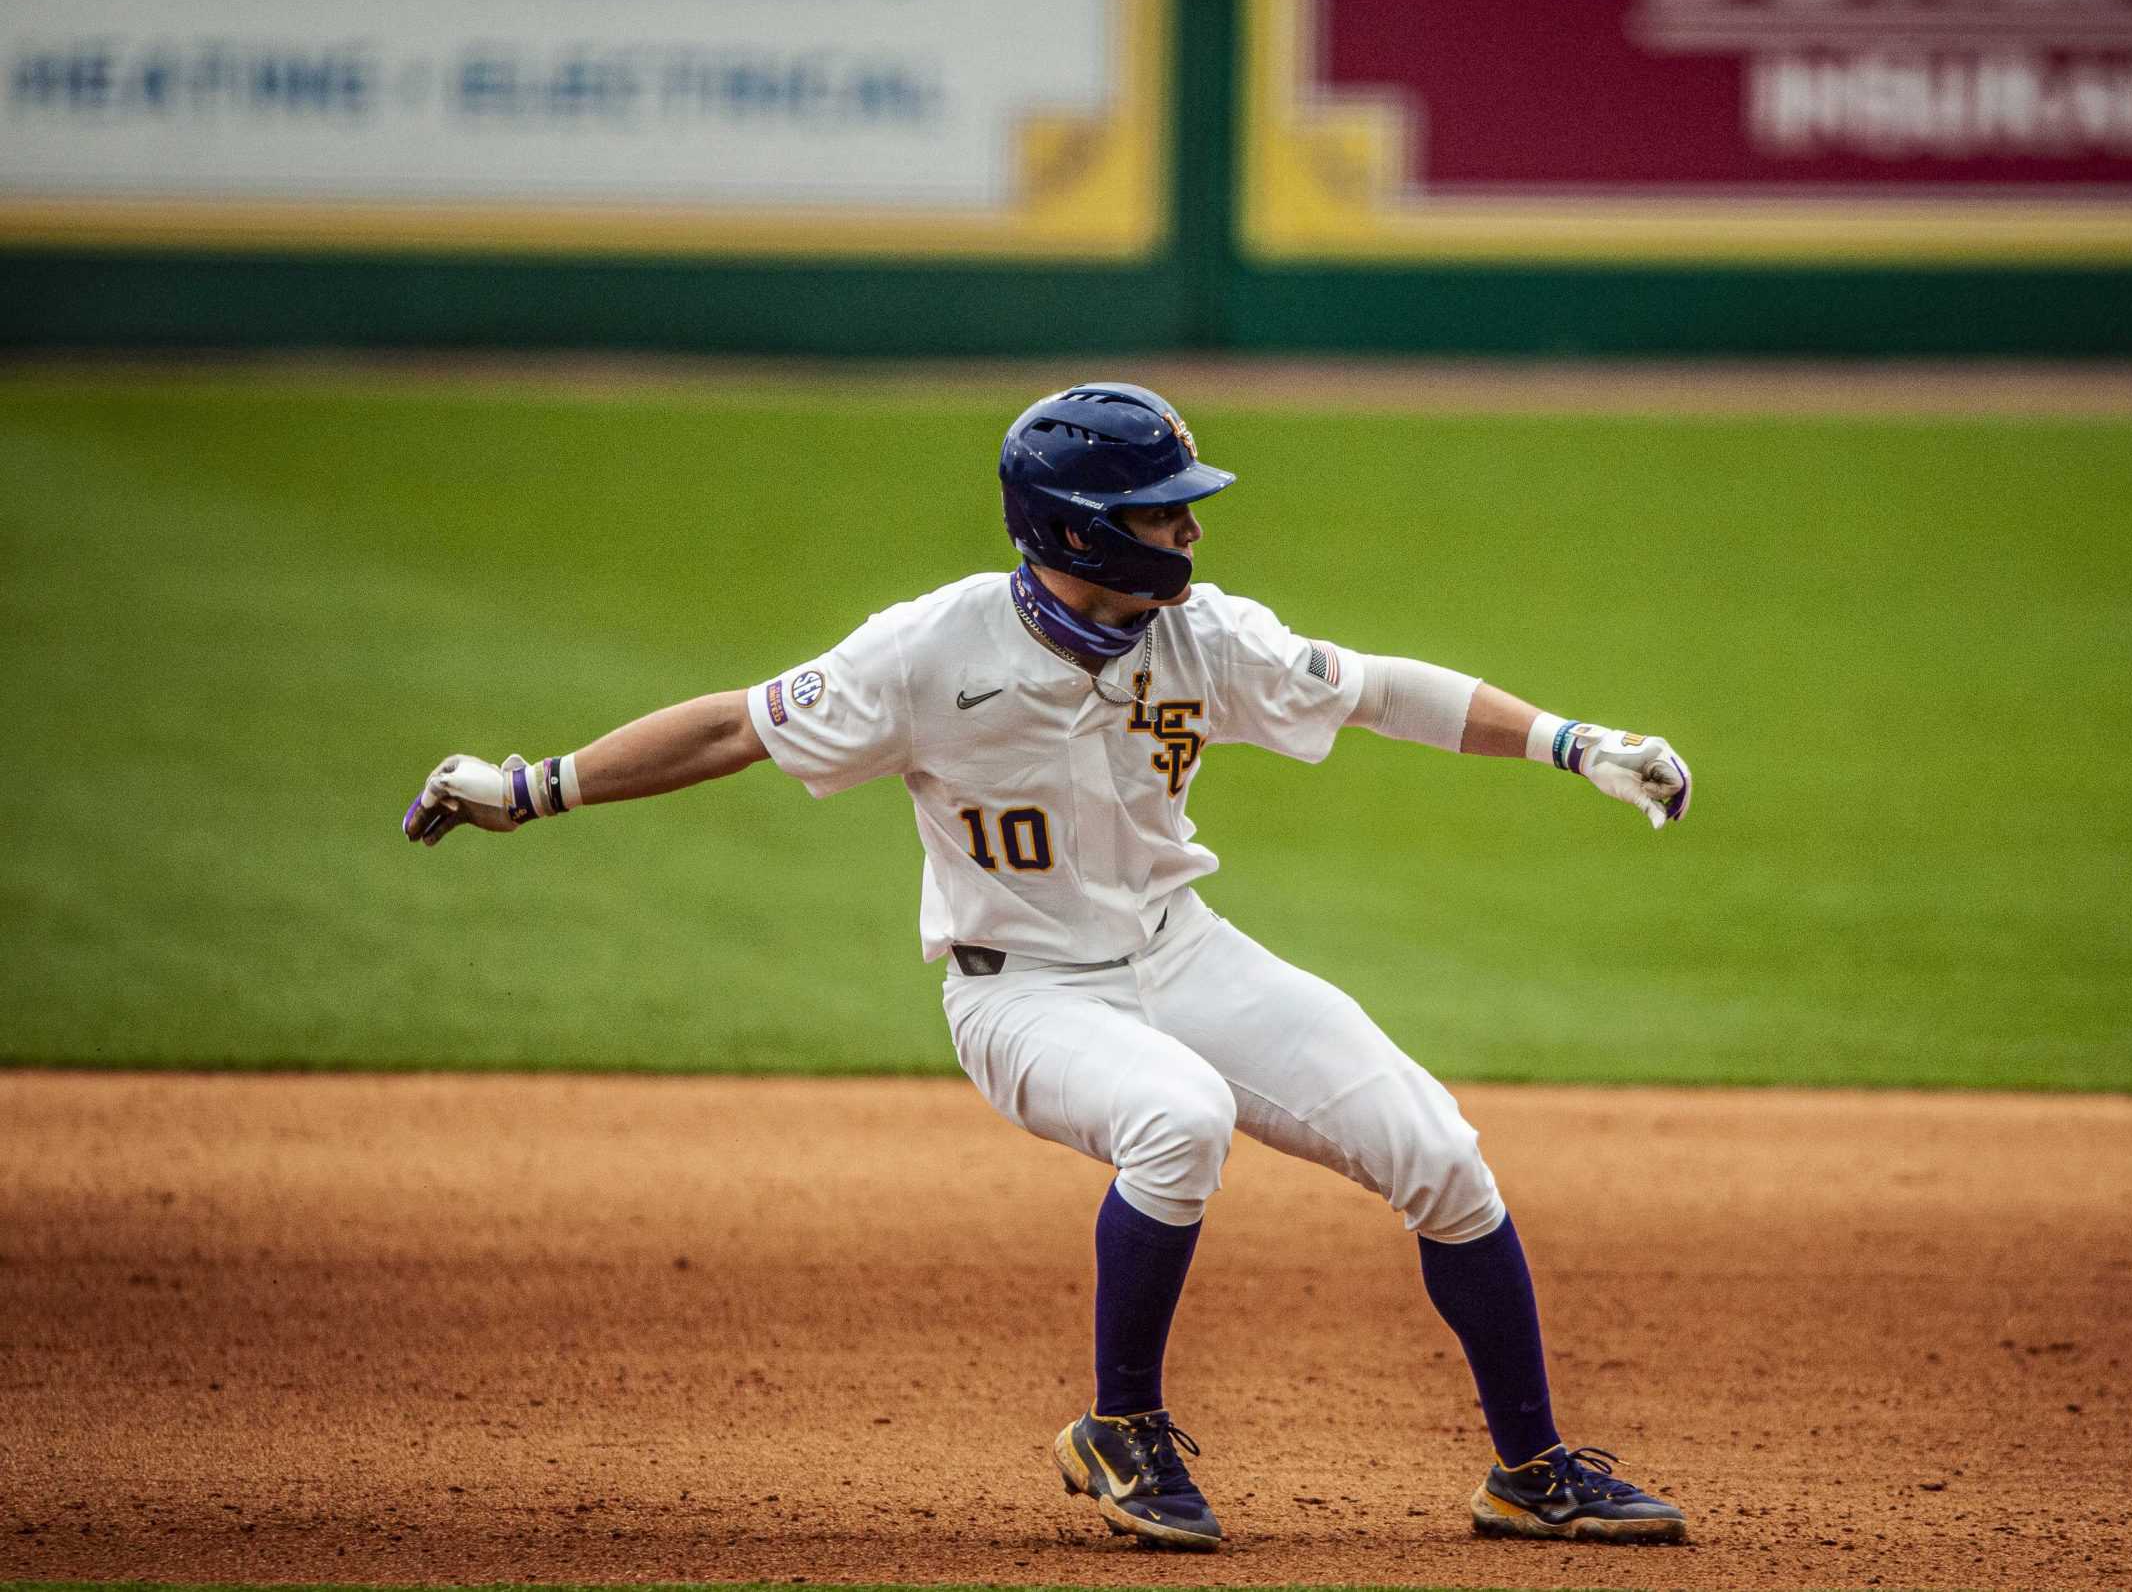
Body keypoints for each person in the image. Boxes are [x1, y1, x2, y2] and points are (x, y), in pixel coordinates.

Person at [402, 382, 1696, 1552]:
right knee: (1176, 1119)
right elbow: (731, 729)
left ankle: (1533, 1473)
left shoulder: (1208, 638)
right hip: (1019, 990)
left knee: (1440, 1152)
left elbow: (1376, 691)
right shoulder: (927, 652)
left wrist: (1572, 742)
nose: (1191, 533)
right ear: (1080, 529)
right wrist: (537, 787)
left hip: (1183, 954)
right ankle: (1120, 1428)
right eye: (1164, 514)